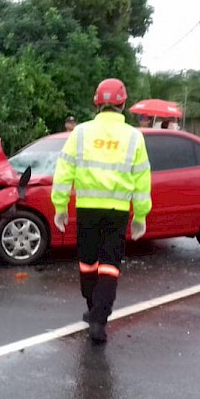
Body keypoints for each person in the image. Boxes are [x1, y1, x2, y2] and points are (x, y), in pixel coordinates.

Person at [51, 78, 152, 345]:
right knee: (109, 265)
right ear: (123, 103)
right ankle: (99, 317)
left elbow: (63, 172)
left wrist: (60, 206)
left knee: (87, 262)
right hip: (117, 211)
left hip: (87, 209)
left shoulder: (80, 133)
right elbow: (142, 179)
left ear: (97, 102)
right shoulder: (134, 136)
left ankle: (92, 305)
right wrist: (140, 215)